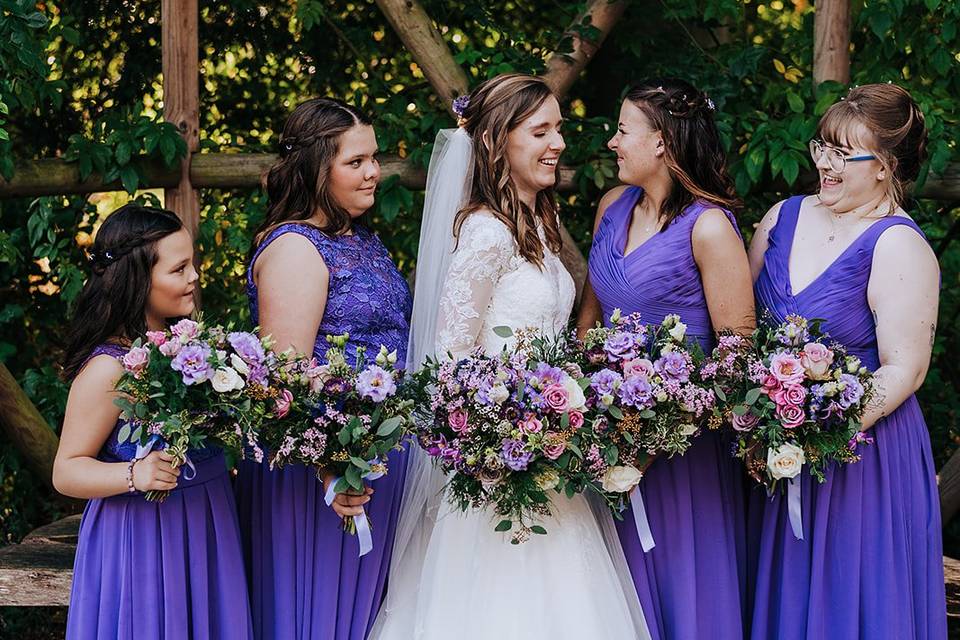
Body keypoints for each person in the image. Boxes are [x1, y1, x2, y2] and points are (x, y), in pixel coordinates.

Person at [370, 73, 650, 640]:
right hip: (496, 473)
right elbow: (447, 368)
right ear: (499, 141)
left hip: (548, 464)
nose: (559, 144)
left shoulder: (539, 226)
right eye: (541, 130)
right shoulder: (484, 232)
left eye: (560, 129)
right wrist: (503, 437)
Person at [747, 83, 947, 639]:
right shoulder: (780, 218)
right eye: (822, 148)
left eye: (843, 155)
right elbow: (739, 326)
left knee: (851, 602)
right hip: (779, 451)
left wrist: (818, 430)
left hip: (862, 458)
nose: (825, 166)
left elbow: (904, 369)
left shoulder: (898, 246)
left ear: (885, 167)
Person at [577, 78, 755, 639]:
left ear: (661, 142)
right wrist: (579, 415)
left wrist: (653, 443)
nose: (612, 142)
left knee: (681, 595)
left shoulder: (708, 227)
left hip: (683, 454)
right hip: (604, 435)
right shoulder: (612, 207)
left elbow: (736, 355)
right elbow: (588, 323)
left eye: (623, 130)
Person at [234, 97, 412, 640]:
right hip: (327, 474)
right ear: (316, 168)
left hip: (379, 453)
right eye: (355, 162)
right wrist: (335, 470)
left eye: (374, 158)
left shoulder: (358, 239)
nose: (374, 171)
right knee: (325, 617)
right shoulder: (294, 249)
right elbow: (284, 385)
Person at [55, 203, 253, 639]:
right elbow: (66, 470)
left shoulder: (194, 349)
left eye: (192, 265)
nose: (194, 277)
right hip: (143, 539)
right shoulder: (109, 367)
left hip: (208, 526)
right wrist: (135, 472)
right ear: (140, 279)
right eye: (179, 269)